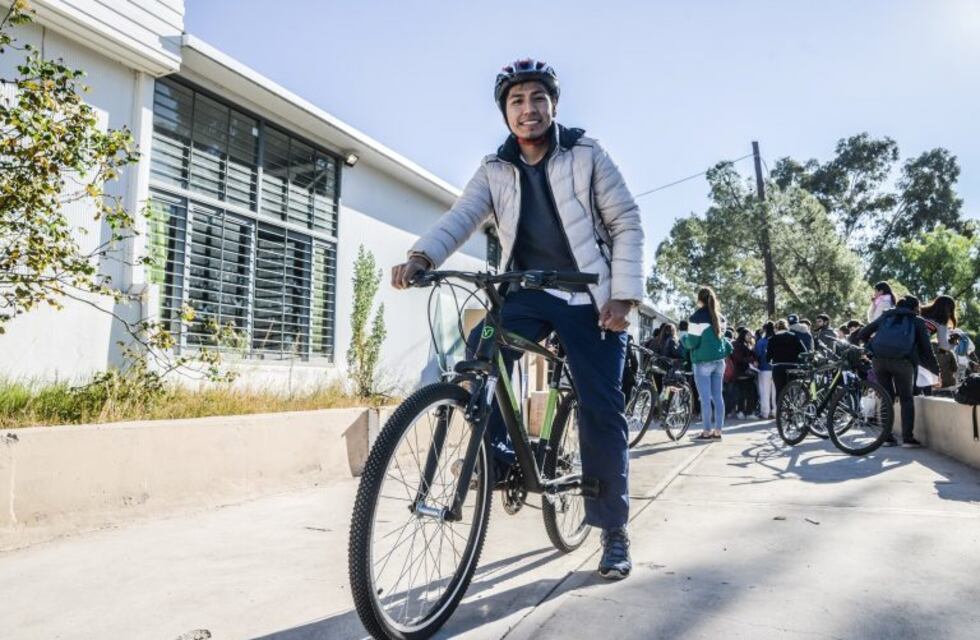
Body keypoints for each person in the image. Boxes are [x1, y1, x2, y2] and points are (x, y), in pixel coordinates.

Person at [391, 58, 644, 580]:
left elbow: (626, 222)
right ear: (505, 112)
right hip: (523, 291)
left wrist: (622, 298)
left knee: (601, 406)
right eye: (516, 101)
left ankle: (613, 529)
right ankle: (502, 453)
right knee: (482, 360)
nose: (528, 110)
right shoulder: (494, 169)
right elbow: (462, 217)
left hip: (587, 295)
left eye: (537, 99)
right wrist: (423, 257)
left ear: (553, 105)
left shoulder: (587, 153)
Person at [854, 295, 940, 447]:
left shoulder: (885, 317)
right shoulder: (918, 321)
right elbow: (927, 350)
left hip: (879, 361)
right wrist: (936, 373)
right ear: (916, 308)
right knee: (906, 399)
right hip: (903, 362)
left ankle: (886, 437)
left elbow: (862, 334)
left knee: (886, 397)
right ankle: (907, 439)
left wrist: (872, 346)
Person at [682, 286, 732, 440]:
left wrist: (683, 339)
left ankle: (706, 432)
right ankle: (718, 431)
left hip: (703, 362)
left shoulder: (696, 318)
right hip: (719, 362)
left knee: (705, 399)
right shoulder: (720, 318)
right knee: (718, 397)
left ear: (699, 300)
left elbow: (692, 342)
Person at [767, 319, 806, 398]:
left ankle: (780, 409)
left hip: (778, 367)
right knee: (793, 390)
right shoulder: (794, 336)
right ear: (787, 327)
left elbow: (768, 356)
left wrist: (769, 360)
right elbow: (804, 351)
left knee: (779, 391)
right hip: (793, 366)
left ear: (776, 328)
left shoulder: (772, 339)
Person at [731, 328, 758, 419]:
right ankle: (744, 412)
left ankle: (744, 412)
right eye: (748, 335)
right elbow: (738, 359)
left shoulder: (747, 345)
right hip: (741, 372)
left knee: (747, 393)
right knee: (745, 393)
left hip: (745, 373)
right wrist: (752, 360)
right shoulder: (737, 345)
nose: (750, 337)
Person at [755, 321, 776, 419]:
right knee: (775, 391)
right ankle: (775, 411)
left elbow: (758, 354)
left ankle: (765, 412)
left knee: (764, 391)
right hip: (776, 368)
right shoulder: (777, 339)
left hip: (764, 368)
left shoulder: (761, 341)